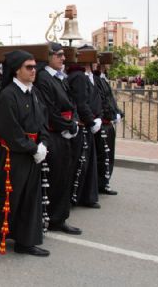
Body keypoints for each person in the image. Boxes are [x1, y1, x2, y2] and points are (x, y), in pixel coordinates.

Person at [0, 50, 49, 256]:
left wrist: (43, 144)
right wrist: (33, 148)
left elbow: (43, 121)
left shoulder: (35, 92)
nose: (34, 71)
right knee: (6, 199)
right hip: (13, 156)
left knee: (30, 198)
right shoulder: (7, 95)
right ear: (16, 70)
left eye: (34, 67)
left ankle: (25, 241)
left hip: (33, 154)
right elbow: (11, 131)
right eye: (29, 67)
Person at [33, 43, 82, 235]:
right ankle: (50, 217)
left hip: (66, 131)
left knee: (64, 176)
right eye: (59, 55)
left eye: (63, 55)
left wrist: (75, 123)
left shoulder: (60, 78)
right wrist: (67, 126)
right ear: (49, 57)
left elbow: (72, 103)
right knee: (53, 178)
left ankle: (60, 217)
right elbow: (49, 110)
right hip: (54, 133)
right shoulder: (44, 78)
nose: (63, 58)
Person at [67, 47, 102, 209]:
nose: (98, 63)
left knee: (85, 162)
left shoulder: (82, 76)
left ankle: (83, 195)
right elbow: (81, 102)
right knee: (81, 162)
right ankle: (79, 196)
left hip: (86, 122)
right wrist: (90, 121)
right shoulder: (79, 77)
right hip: (82, 124)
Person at [93, 59, 123, 195]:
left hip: (108, 122)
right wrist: (110, 115)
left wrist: (118, 112)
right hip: (103, 123)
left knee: (109, 155)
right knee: (103, 156)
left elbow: (111, 100)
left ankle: (104, 181)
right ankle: (101, 183)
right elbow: (102, 101)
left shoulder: (103, 79)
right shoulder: (97, 79)